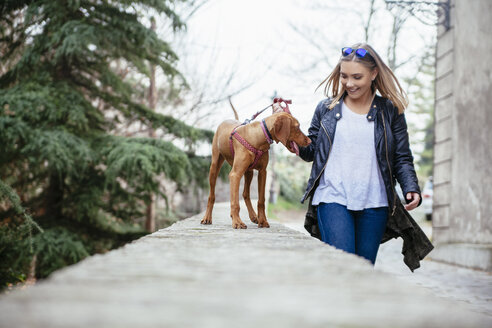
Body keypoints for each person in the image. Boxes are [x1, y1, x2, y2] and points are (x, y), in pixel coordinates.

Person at [273, 43, 432, 268]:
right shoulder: (326, 109)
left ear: (374, 73)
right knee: (343, 265)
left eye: (357, 77)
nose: (349, 83)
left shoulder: (390, 110)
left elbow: (401, 156)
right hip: (332, 198)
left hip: (375, 202)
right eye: (344, 76)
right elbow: (311, 151)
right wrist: (290, 133)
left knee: (364, 270)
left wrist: (410, 187)